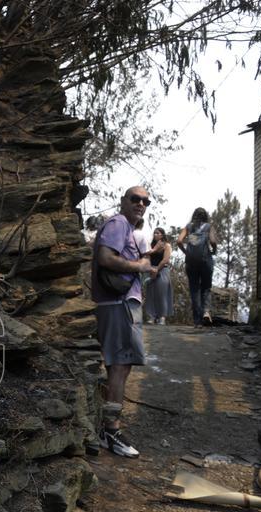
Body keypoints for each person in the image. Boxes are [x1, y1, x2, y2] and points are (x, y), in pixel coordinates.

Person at [90, 186, 152, 458]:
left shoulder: (125, 227)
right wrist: (138, 266)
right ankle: (110, 431)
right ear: (123, 201)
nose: (141, 204)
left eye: (145, 201)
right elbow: (105, 258)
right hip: (118, 305)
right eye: (135, 199)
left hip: (121, 305)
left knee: (120, 365)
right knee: (119, 364)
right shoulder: (118, 223)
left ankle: (106, 426)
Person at [177, 207, 219, 328]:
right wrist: (214, 251)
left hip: (191, 262)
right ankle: (206, 311)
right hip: (205, 261)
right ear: (205, 216)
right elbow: (213, 242)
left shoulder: (189, 227)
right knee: (206, 288)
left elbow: (179, 241)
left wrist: (186, 253)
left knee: (194, 289)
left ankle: (197, 322)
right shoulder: (208, 227)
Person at [144, 227, 174, 324]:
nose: (155, 235)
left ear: (162, 235)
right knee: (151, 294)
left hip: (162, 270)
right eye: (154, 233)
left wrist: (157, 270)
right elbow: (147, 257)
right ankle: (152, 316)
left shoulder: (167, 245)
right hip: (151, 270)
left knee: (162, 294)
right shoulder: (151, 246)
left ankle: (162, 317)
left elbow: (165, 260)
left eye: (157, 233)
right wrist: (150, 269)